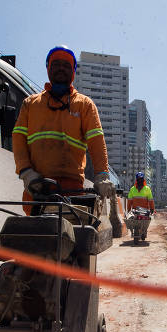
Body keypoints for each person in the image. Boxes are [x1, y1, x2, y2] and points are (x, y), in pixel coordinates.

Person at [13, 45, 113, 209]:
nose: (61, 68)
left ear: (73, 71)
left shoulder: (84, 105)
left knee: (74, 229)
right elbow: (18, 139)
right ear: (48, 69)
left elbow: (96, 141)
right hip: (38, 186)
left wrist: (102, 175)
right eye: (56, 64)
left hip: (72, 189)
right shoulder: (30, 104)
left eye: (66, 65)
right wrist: (26, 172)